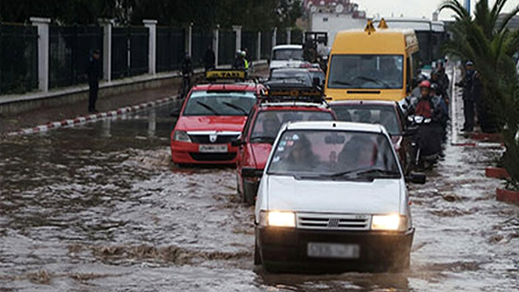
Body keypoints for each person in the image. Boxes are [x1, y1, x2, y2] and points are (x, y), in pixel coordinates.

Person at [456, 61, 477, 132]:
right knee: (466, 111)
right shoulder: (467, 74)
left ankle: (470, 126)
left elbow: (471, 83)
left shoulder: (473, 74)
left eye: (470, 66)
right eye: (467, 66)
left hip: (470, 96)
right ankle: (466, 125)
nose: (468, 67)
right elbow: (463, 82)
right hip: (466, 95)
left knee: (470, 112)